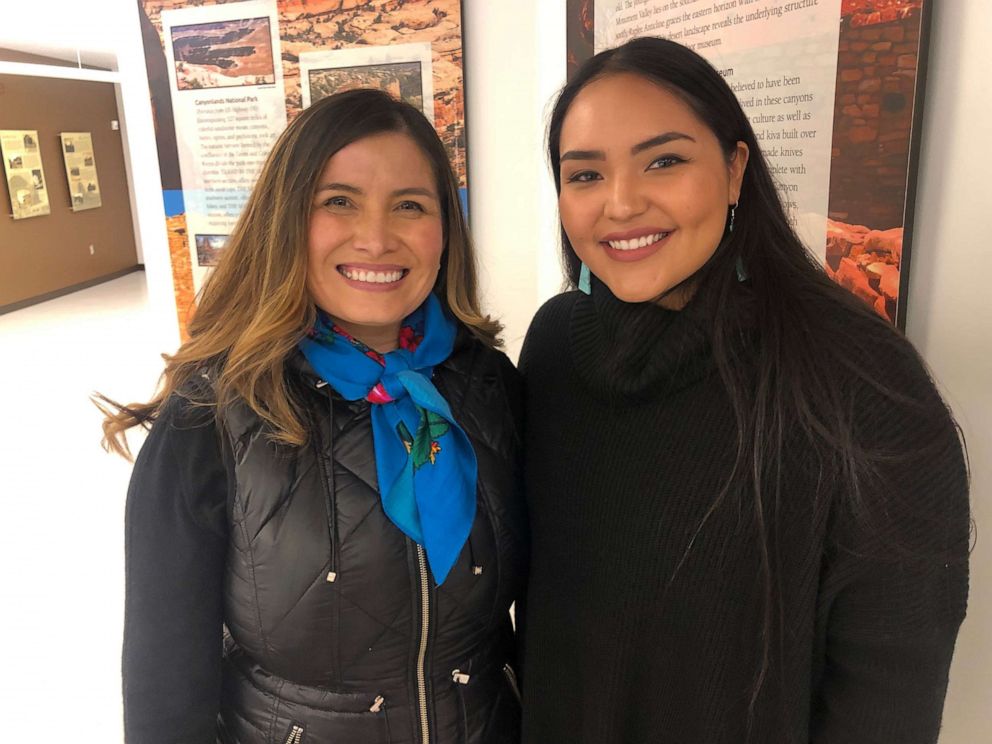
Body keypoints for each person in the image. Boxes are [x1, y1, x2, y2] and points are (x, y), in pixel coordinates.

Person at [518, 37, 969, 744]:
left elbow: (891, 692)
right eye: (584, 176)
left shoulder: (858, 379)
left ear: (734, 171)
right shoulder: (553, 348)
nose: (622, 203)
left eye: (664, 160)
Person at [101, 89, 526, 744]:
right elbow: (164, 685)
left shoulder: (491, 385)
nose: (377, 238)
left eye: (409, 205)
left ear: (445, 227)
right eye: (339, 202)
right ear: (287, 219)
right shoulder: (211, 416)